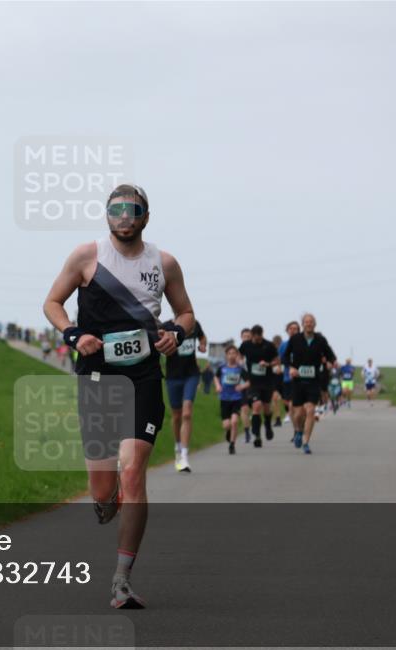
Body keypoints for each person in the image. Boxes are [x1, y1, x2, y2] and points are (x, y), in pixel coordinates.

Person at [43, 183, 194, 610]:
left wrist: (176, 334)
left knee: (133, 473)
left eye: (133, 209)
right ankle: (105, 501)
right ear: (107, 215)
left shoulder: (163, 263)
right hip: (97, 377)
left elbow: (187, 313)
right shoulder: (86, 257)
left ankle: (121, 579)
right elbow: (52, 302)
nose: (125, 216)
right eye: (117, 209)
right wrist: (75, 334)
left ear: (146, 216)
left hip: (143, 378)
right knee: (104, 487)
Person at [281, 313, 336, 455]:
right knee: (298, 414)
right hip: (298, 381)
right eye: (306, 322)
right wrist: (291, 368)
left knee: (310, 410)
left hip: (313, 381)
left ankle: (306, 442)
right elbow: (285, 357)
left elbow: (331, 355)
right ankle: (298, 431)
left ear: (315, 324)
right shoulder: (295, 339)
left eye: (311, 322)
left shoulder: (320, 340)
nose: (309, 324)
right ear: (303, 324)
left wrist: (331, 362)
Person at [164, 319, 207, 472]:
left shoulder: (194, 324)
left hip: (191, 374)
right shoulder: (167, 326)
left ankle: (184, 455)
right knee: (176, 415)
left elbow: (202, 337)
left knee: (187, 413)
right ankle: (177, 446)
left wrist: (203, 345)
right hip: (173, 376)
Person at [238, 325, 280, 447]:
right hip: (253, 382)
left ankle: (267, 425)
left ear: (262, 335)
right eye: (254, 338)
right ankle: (257, 435)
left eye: (259, 338)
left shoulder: (269, 345)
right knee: (256, 406)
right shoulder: (246, 345)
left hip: (267, 381)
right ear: (252, 335)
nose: (257, 340)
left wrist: (267, 364)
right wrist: (240, 363)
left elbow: (277, 360)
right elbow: (239, 355)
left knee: (267, 408)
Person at [214, 345, 250, 454]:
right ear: (226, 355)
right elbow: (216, 377)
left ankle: (232, 445)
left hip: (236, 398)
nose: (232, 355)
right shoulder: (222, 368)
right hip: (224, 398)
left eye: (234, 353)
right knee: (226, 425)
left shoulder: (240, 369)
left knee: (234, 422)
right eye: (229, 353)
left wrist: (241, 387)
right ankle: (228, 432)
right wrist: (218, 386)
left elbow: (249, 382)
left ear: (237, 355)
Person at [279, 321, 300, 430]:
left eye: (295, 328)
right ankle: (296, 430)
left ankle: (298, 428)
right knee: (290, 405)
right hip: (287, 378)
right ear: (287, 331)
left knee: (295, 406)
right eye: (290, 328)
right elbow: (279, 359)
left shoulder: (302, 343)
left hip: (300, 380)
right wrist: (278, 367)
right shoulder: (283, 345)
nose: (292, 330)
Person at [238, 328, 253, 443]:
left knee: (255, 407)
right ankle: (247, 432)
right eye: (245, 337)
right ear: (241, 338)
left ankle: (253, 419)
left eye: (249, 337)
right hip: (242, 385)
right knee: (244, 408)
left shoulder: (255, 351)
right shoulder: (237, 353)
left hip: (255, 384)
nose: (247, 339)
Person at [269, 334, 285, 427]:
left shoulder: (284, 352)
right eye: (275, 345)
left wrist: (280, 367)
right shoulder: (271, 354)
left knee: (285, 399)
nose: (277, 346)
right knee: (274, 398)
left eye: (278, 344)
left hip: (284, 377)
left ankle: (289, 414)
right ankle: (278, 418)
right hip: (274, 378)